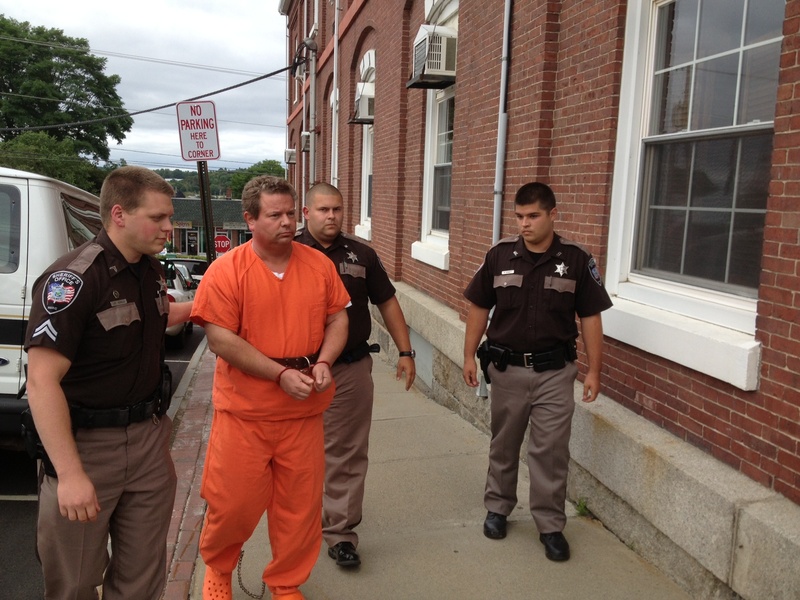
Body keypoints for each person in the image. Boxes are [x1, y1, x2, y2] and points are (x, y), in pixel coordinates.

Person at [24, 166, 191, 599]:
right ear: (119, 214)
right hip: (87, 447)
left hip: (148, 439)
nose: (169, 228)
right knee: (75, 581)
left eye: (169, 217)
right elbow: (41, 381)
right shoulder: (74, 279)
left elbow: (155, 318)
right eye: (157, 217)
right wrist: (70, 474)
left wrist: (210, 305)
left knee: (143, 576)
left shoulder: (150, 271)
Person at [190, 176, 350, 600]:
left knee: (299, 509)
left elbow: (338, 318)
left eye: (291, 213)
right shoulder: (227, 270)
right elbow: (219, 338)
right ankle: (219, 569)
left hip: (303, 413)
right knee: (233, 503)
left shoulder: (318, 265)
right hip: (245, 413)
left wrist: (324, 361)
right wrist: (278, 374)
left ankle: (286, 582)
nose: (286, 222)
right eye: (275, 215)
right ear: (250, 219)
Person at [462, 182, 612, 562]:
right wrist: (467, 356)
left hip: (555, 373)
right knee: (504, 442)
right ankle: (498, 508)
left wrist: (594, 371)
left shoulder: (576, 259)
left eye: (533, 216)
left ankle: (550, 525)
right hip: (508, 370)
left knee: (551, 451)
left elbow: (590, 317)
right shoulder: (499, 255)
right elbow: (479, 306)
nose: (524, 224)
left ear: (552, 215)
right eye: (519, 216)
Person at [296, 182, 416, 568]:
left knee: (347, 452)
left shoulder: (361, 255)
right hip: (293, 371)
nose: (331, 216)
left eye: (337, 209)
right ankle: (297, 524)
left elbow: (387, 302)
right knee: (295, 452)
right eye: (323, 210)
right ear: (306, 213)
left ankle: (340, 534)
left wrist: (406, 351)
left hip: (349, 369)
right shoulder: (287, 252)